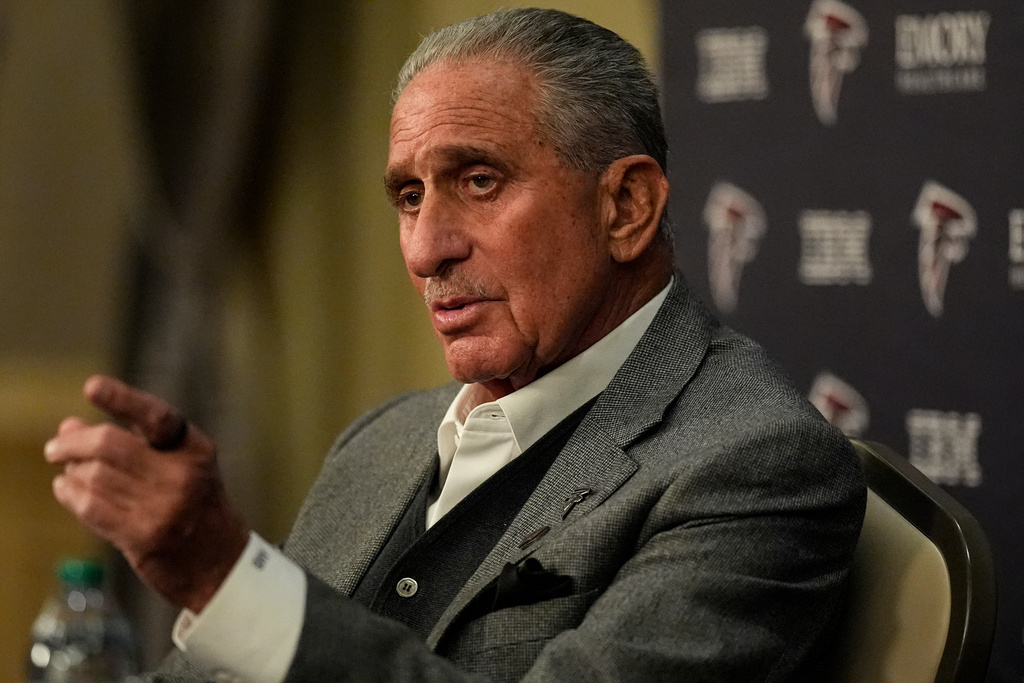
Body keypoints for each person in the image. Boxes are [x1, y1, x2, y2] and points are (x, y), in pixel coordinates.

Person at [44, 8, 865, 682]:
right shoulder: (381, 441)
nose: (426, 248)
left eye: (480, 181)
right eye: (408, 195)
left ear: (627, 207)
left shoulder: (753, 461)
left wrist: (225, 575)